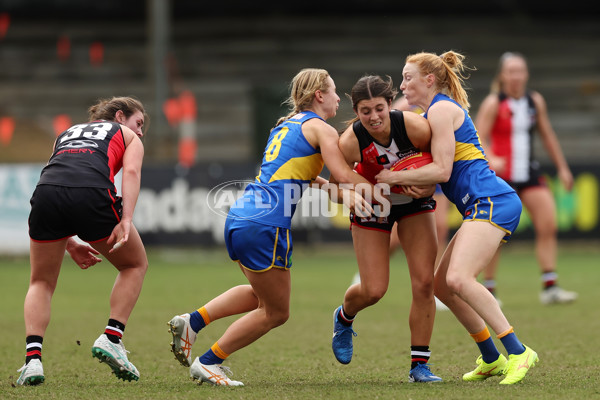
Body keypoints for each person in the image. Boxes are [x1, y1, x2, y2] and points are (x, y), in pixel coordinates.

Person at [167, 68, 374, 387]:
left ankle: (192, 322)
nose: (338, 97)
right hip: (267, 225)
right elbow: (343, 175)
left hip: (241, 217)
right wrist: (383, 186)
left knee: (259, 296)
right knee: (276, 312)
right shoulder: (322, 129)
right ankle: (209, 362)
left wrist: (345, 195)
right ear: (319, 95)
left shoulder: (285, 125)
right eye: (334, 91)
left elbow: (312, 179)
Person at [375, 51, 539, 385]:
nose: (403, 84)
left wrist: (391, 177)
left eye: (408, 77)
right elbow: (439, 176)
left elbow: (444, 169)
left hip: (492, 199)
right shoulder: (432, 113)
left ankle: (519, 350)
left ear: (429, 80)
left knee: (460, 279)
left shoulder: (441, 109)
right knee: (442, 286)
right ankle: (492, 358)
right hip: (480, 204)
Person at [17, 96, 148, 386]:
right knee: (135, 264)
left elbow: (60, 177)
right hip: (91, 192)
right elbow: (132, 171)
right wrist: (126, 218)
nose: (140, 132)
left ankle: (32, 361)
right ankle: (113, 337)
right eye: (139, 123)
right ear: (119, 116)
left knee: (40, 282)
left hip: (46, 194)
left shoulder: (65, 133)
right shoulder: (125, 135)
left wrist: (69, 241)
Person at [330, 75, 442, 382]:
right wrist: (351, 196)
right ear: (356, 110)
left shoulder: (414, 127)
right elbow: (334, 185)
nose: (374, 117)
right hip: (374, 206)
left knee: (423, 283)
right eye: (365, 111)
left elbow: (442, 164)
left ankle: (419, 365)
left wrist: (428, 183)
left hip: (413, 206)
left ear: (389, 104)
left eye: (379, 108)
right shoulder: (350, 141)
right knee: (374, 290)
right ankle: (344, 317)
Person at [475, 52, 577, 305]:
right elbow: (477, 137)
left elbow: (547, 135)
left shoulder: (534, 101)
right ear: (502, 75)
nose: (516, 76)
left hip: (529, 172)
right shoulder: (493, 103)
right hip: (501, 176)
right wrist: (492, 158)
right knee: (495, 234)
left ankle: (550, 286)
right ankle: (489, 289)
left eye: (520, 70)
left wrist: (562, 168)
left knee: (548, 224)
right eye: (511, 71)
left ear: (526, 73)